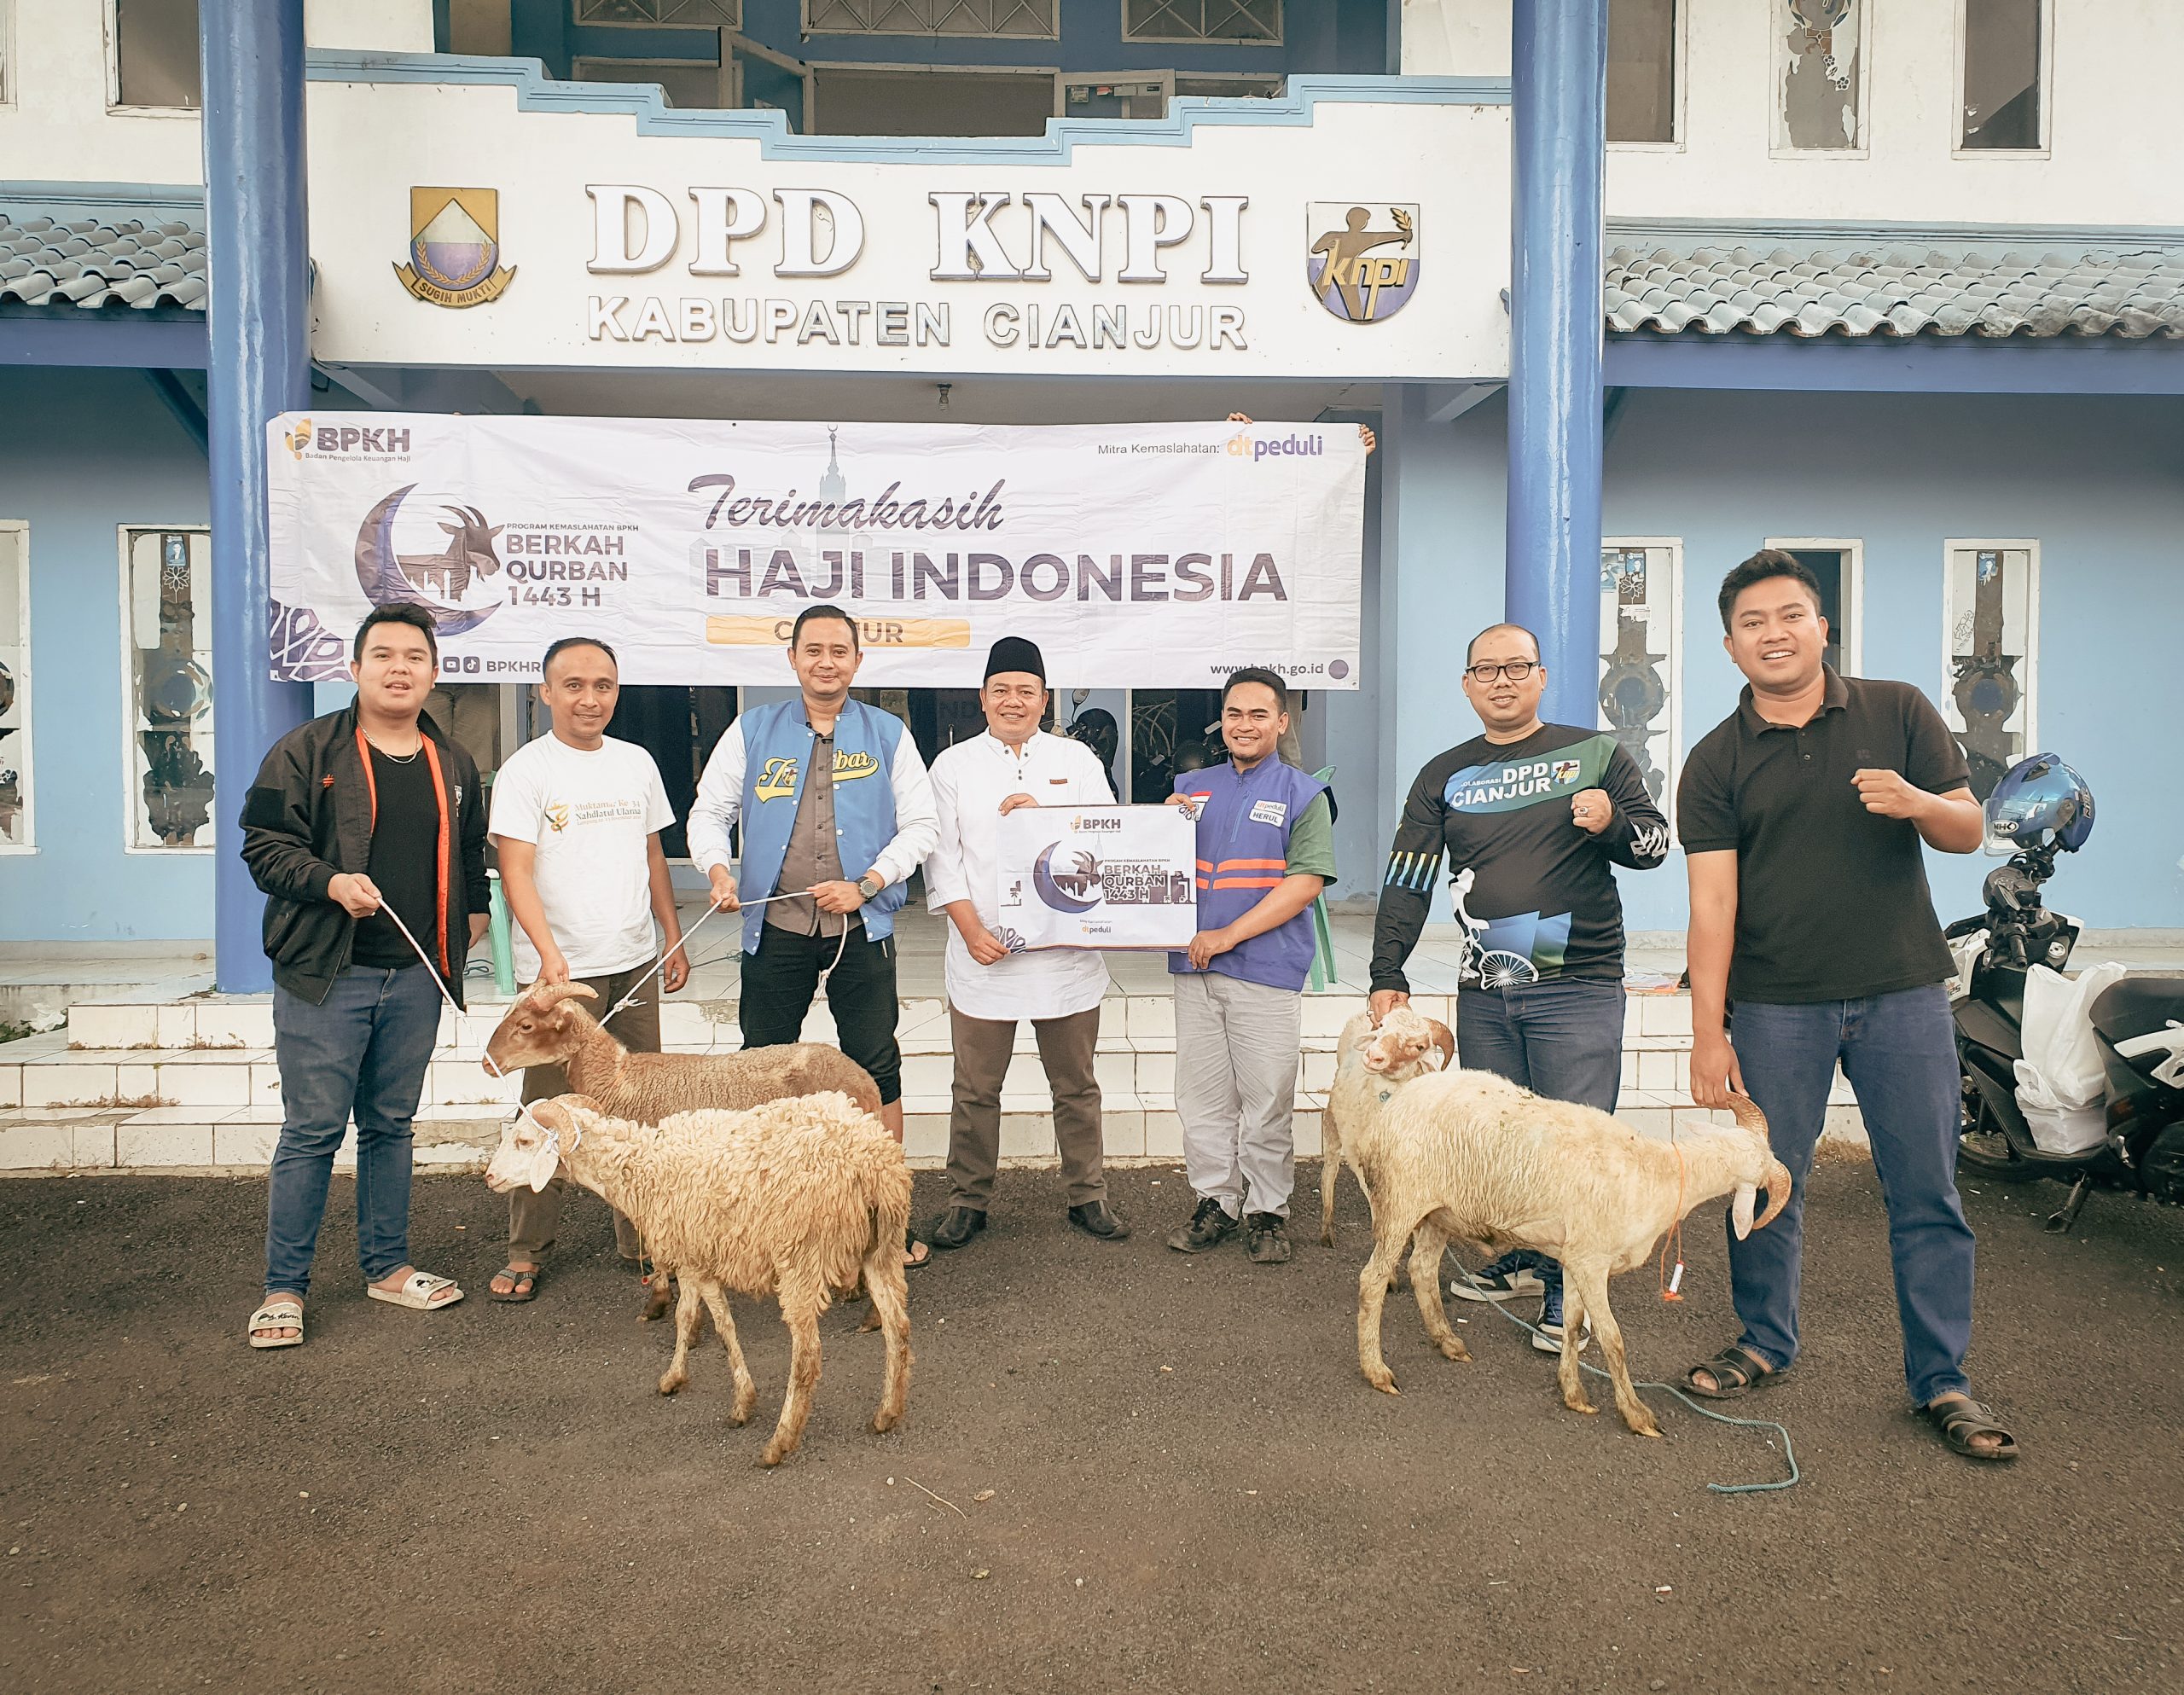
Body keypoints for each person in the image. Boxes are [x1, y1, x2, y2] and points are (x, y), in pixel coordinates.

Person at [1677, 549, 2015, 1462]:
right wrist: (1709, 1035)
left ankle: (1941, 1378)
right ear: (1729, 644)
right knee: (1764, 1186)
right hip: (1777, 1004)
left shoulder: (1896, 708)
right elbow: (1711, 906)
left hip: (1901, 992)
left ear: (1821, 625)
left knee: (1926, 1191)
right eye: (1753, 623)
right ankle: (1762, 1340)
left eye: (1789, 615)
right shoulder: (1714, 760)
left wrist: (1913, 799)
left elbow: (1966, 829)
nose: (1773, 633)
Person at [1368, 622, 1668, 1351]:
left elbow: (1655, 844)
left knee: (1577, 1145)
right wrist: (1387, 971)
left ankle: (1574, 1293)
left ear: (1540, 677)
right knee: (1506, 1143)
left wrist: (1610, 822)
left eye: (1516, 667)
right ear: (1468, 685)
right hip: (1486, 989)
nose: (1501, 680)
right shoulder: (1443, 772)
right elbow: (1409, 872)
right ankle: (1532, 1260)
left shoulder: (1594, 754)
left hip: (1579, 984)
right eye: (1486, 670)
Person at [238, 604, 489, 1347]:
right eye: (383, 655)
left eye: (415, 656)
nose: (399, 667)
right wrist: (328, 882)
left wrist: (470, 922)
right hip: (326, 974)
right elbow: (262, 847)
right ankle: (284, 1288)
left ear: (434, 673)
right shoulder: (305, 749)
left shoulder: (454, 763)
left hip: (415, 977)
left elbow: (470, 855)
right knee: (313, 1131)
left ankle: (387, 1267)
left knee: (390, 1127)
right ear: (354, 669)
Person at [688, 603, 939, 1268]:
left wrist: (868, 881)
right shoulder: (752, 730)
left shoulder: (888, 734)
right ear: (793, 658)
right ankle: (764, 1219)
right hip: (776, 925)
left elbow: (921, 825)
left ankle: (885, 1221)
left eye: (839, 650)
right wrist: (717, 867)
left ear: (858, 660)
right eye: (813, 650)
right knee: (761, 1066)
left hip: (862, 926)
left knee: (875, 1065)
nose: (826, 661)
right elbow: (709, 811)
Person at [485, 636, 687, 1304]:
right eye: (573, 685)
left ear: (616, 692)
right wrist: (545, 954)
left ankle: (645, 1242)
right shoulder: (526, 770)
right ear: (546, 692)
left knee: (636, 1112)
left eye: (602, 685)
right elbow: (515, 869)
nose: (589, 698)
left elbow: (653, 854)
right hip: (559, 981)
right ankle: (527, 1249)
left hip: (631, 964)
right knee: (544, 1110)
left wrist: (671, 934)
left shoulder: (637, 763)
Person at [921, 636, 1128, 1251]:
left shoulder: (1079, 762)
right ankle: (967, 1199)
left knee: (1076, 1083)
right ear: (983, 698)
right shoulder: (953, 766)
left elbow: (1107, 841)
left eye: (1026, 691)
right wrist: (970, 929)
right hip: (984, 952)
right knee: (976, 1087)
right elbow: (942, 859)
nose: (1014, 701)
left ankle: (1087, 1193)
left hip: (1065, 956)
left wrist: (1046, 818)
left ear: (1045, 699)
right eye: (1001, 690)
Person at [1163, 668, 1337, 1264]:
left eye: (1259, 714)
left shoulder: (1303, 793)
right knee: (1203, 1098)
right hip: (1194, 969)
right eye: (1235, 713)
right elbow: (1155, 866)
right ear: (1223, 719)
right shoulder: (1190, 787)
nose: (1245, 724)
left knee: (1266, 1098)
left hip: (1264, 966)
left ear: (1281, 721)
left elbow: (1305, 883)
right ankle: (1216, 1200)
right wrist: (1161, 825)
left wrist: (1228, 935)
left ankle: (1267, 1209)